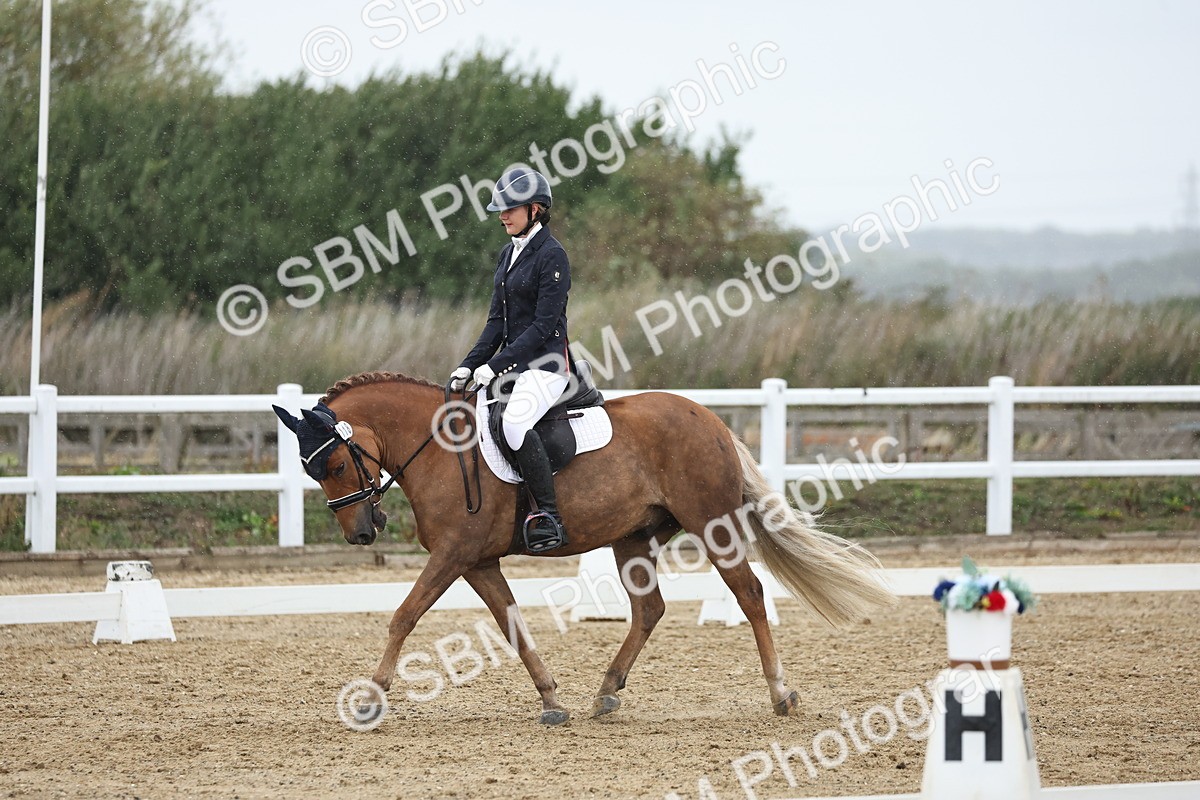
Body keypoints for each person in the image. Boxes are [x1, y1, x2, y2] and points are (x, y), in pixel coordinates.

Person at [449, 167, 573, 553]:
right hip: (514, 365)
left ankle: (549, 515)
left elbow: (541, 326)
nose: (502, 215)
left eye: (510, 209)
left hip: (547, 365)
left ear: (535, 209)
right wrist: (469, 364)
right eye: (500, 209)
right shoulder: (508, 253)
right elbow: (496, 322)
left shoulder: (552, 256)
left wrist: (496, 365)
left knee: (515, 424)